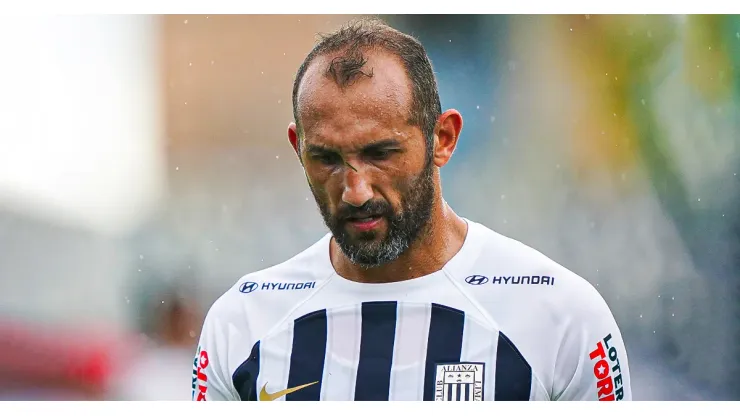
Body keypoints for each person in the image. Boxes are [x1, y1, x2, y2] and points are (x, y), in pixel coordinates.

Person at [193, 18, 632, 402]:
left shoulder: (560, 316)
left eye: (380, 153)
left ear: (443, 138)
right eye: (326, 158)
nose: (355, 191)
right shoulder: (242, 325)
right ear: (297, 147)